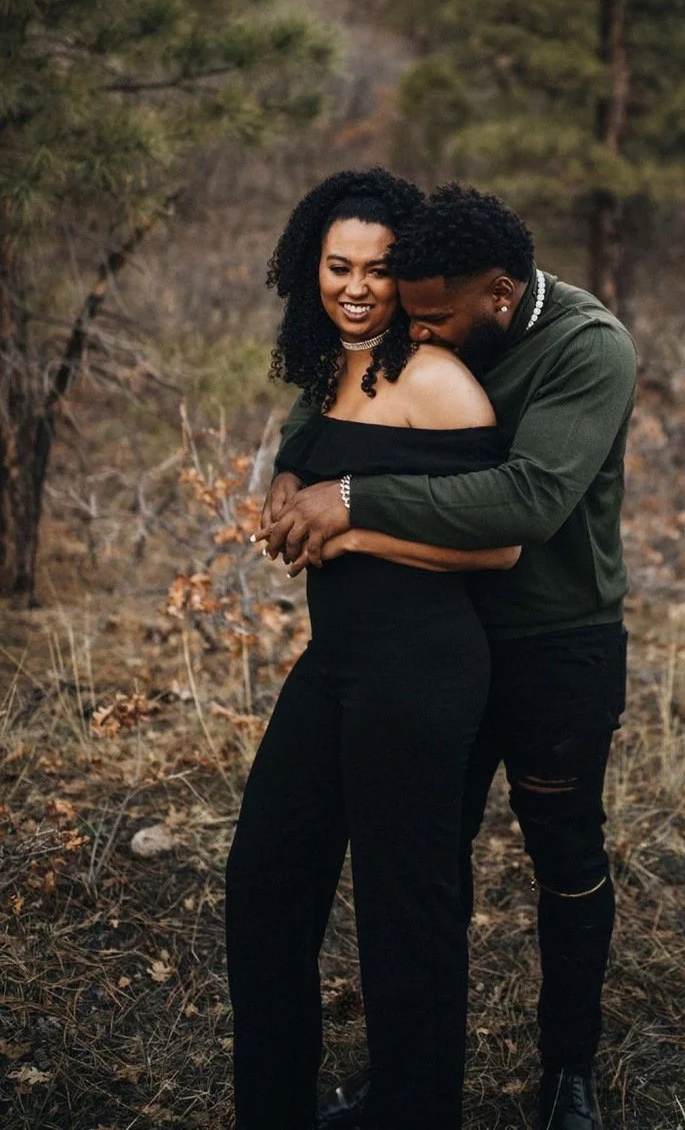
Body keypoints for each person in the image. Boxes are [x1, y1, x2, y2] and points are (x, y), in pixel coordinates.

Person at [260, 183, 638, 1130]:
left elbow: (527, 503)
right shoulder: (436, 319)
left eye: (433, 316)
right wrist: (294, 469)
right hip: (447, 635)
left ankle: (567, 1070)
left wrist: (348, 503)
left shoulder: (588, 350)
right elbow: (337, 394)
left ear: (499, 295)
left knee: (565, 852)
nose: (416, 331)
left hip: (558, 642)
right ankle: (409, 1078)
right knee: (427, 867)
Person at [226, 167, 521, 1130]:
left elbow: (500, 539)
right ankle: (275, 1107)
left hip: (422, 671)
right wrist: (287, 484)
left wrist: (349, 530)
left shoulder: (439, 383)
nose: (354, 286)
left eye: (378, 269)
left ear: (409, 277)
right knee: (266, 880)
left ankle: (415, 1110)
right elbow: (313, 451)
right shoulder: (333, 370)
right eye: (336, 265)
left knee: (406, 913)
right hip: (338, 663)